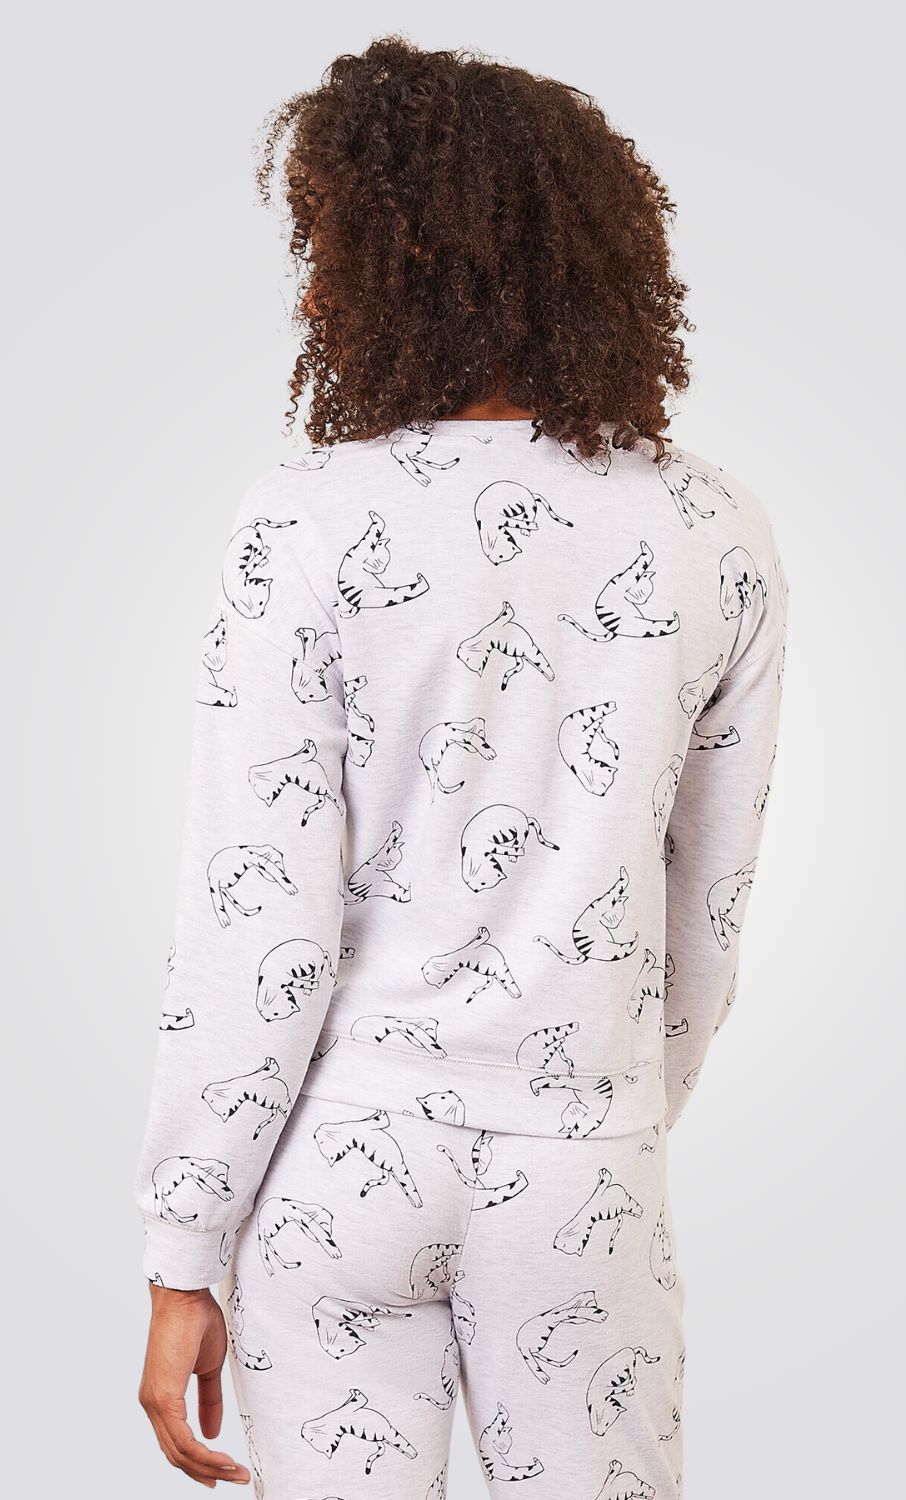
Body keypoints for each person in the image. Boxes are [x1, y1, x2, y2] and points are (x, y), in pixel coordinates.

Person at [134, 34, 790, 1500]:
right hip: (583, 1158)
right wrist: (597, 1122)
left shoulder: (305, 519)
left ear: (396, 265)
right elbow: (708, 909)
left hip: (342, 1159)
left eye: (328, 248)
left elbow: (254, 915)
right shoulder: (712, 528)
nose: (313, 290)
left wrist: (185, 1247)